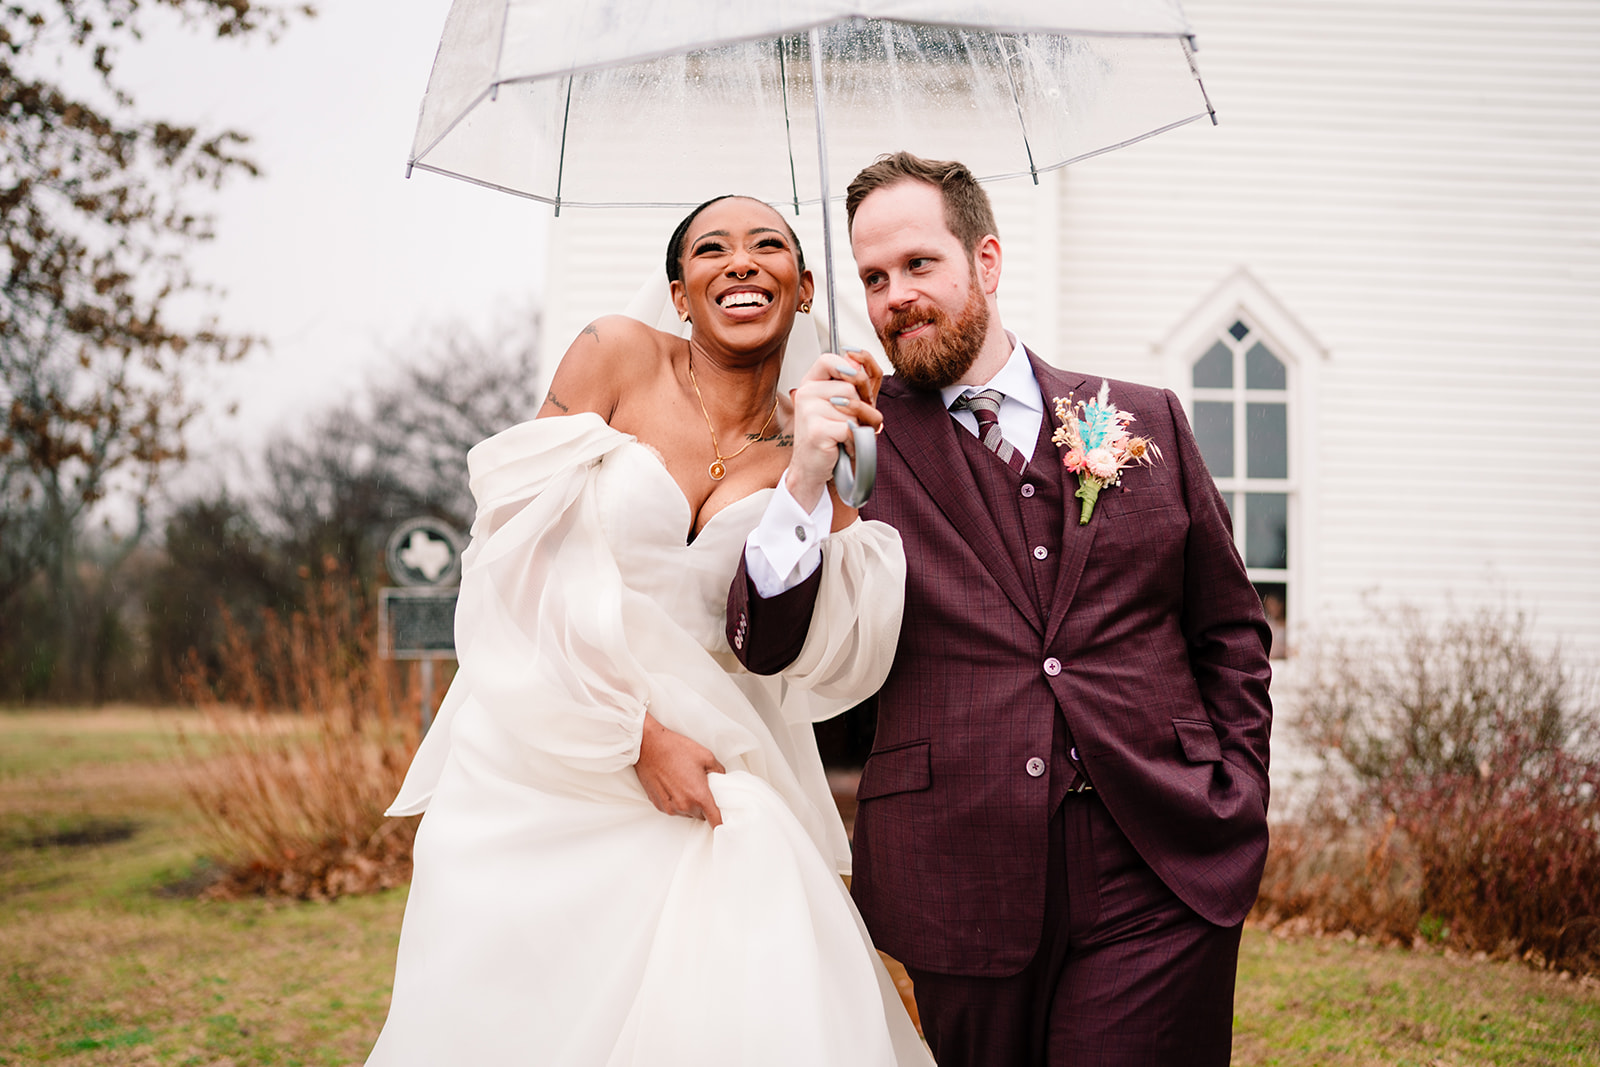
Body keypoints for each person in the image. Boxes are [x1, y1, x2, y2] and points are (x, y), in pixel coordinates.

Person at [728, 153, 1274, 1066]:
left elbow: (1229, 631)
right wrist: (802, 480)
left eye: (919, 264)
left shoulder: (1143, 419)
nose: (895, 294)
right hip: (957, 871)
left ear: (985, 261)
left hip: (1161, 858)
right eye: (872, 277)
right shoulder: (849, 440)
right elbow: (764, 642)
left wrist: (1237, 787)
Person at [367, 195, 931, 1067]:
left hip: (712, 759)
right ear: (679, 292)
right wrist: (632, 734)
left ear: (806, 284)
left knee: (742, 950)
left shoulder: (818, 436)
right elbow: (509, 564)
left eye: (767, 246)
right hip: (543, 744)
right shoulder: (613, 356)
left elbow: (830, 653)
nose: (740, 262)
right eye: (712, 249)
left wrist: (818, 474)